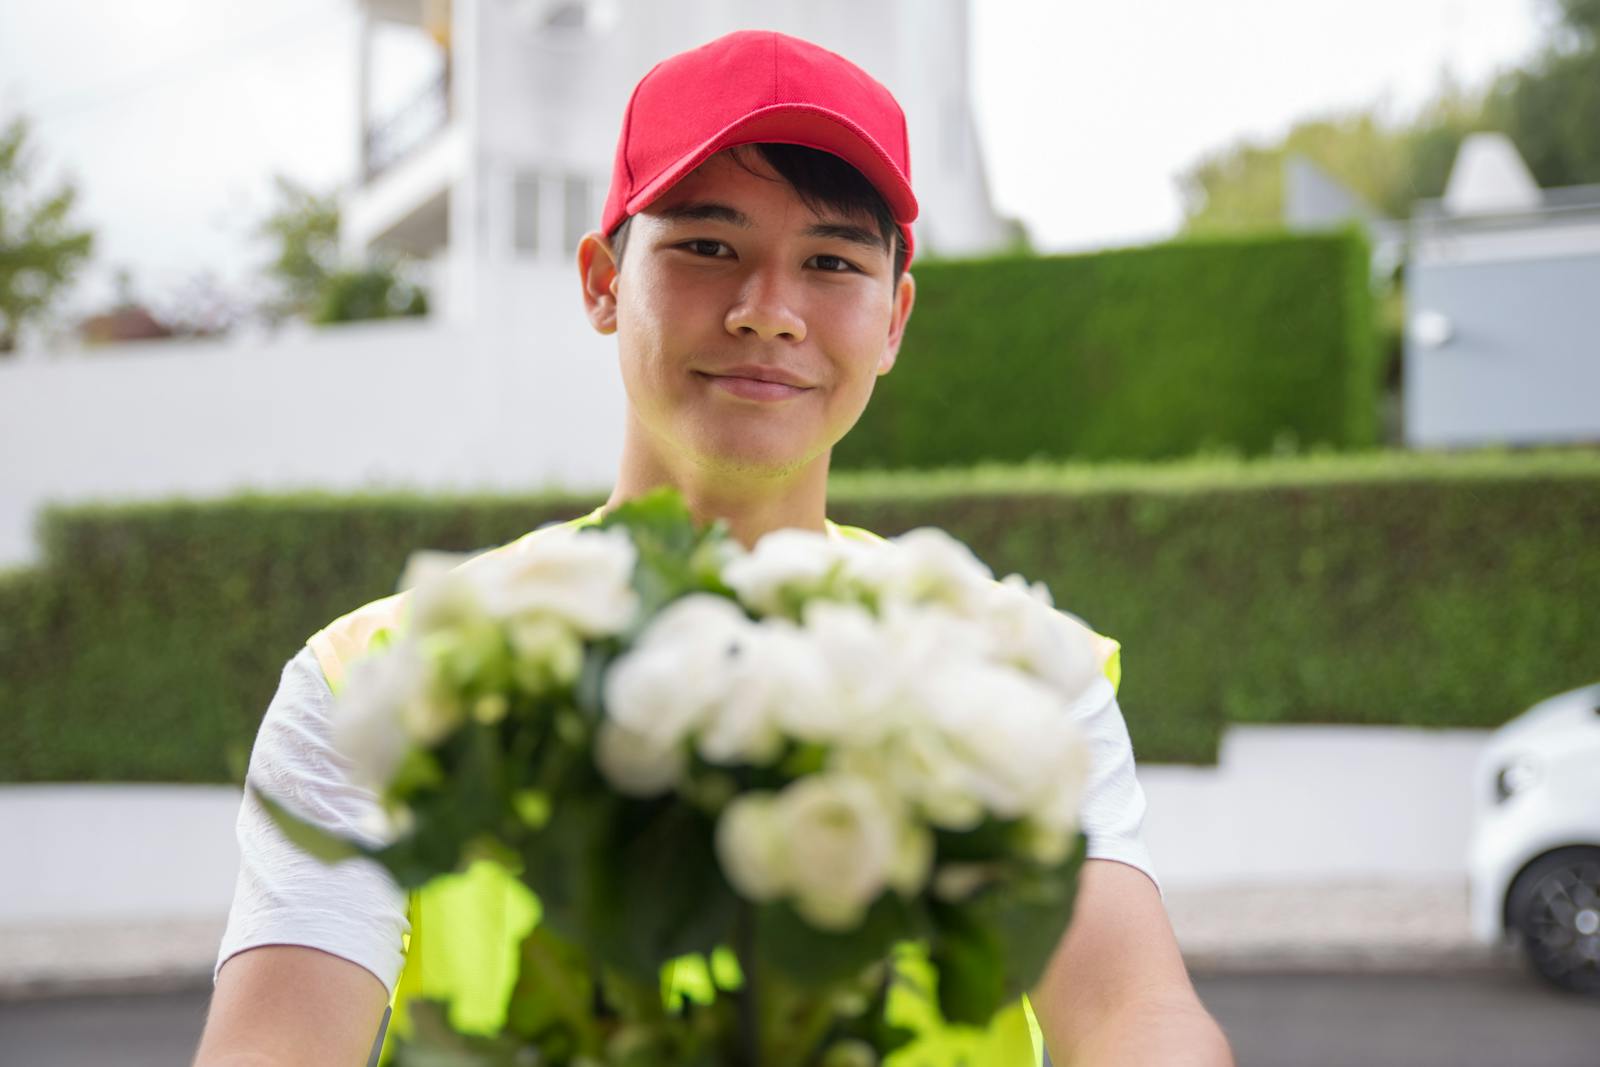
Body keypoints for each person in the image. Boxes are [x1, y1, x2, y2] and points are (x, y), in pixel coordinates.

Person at [194, 29, 1232, 1067]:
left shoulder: (1017, 671)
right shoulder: (376, 680)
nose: (767, 311)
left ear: (894, 319)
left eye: (830, 262)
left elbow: (1133, 1013)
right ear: (602, 281)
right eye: (706, 246)